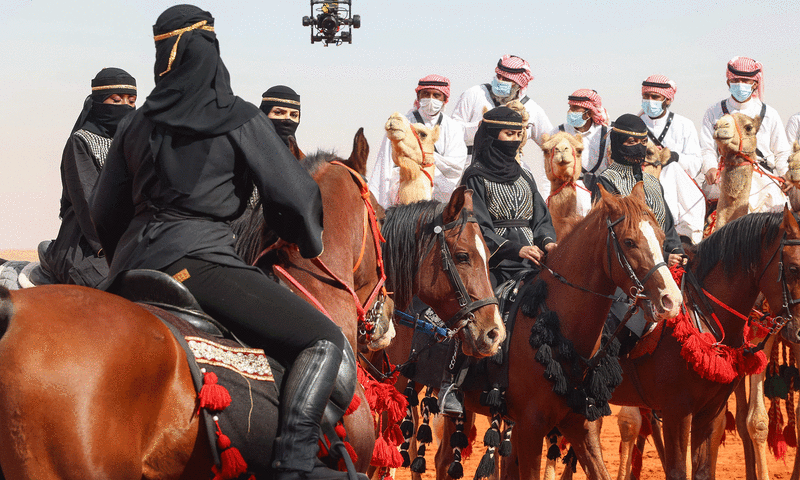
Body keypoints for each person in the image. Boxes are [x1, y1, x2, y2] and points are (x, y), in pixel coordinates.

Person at [90, 6, 360, 480]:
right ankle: (296, 463)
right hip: (202, 262)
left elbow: (102, 213)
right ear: (211, 52)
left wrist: (126, 267)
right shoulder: (238, 117)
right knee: (323, 339)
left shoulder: (135, 122)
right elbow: (297, 196)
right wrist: (307, 239)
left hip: (131, 267)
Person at [38, 67, 137, 287]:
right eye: (116, 100)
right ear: (99, 102)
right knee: (114, 290)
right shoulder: (82, 142)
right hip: (89, 242)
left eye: (131, 101)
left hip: (135, 236)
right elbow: (88, 202)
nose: (126, 107)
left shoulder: (137, 142)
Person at [460, 106, 557, 288]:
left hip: (534, 261)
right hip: (495, 265)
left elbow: (541, 219)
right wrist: (517, 249)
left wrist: (548, 243)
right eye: (509, 134)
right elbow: (477, 227)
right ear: (492, 135)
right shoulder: (475, 177)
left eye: (519, 134)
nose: (515, 140)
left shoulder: (525, 176)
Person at [591, 114, 684, 264]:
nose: (639, 147)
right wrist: (665, 257)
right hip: (631, 265)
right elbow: (608, 234)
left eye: (644, 141)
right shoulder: (606, 180)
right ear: (618, 143)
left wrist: (677, 251)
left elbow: (668, 226)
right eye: (632, 141)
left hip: (665, 261)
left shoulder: (652, 182)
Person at [699, 57, 791, 203]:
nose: (740, 84)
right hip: (724, 174)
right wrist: (710, 167)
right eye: (735, 80)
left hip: (762, 176)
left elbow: (782, 152)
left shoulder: (769, 114)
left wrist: (785, 174)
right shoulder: (713, 112)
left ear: (755, 84)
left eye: (745, 81)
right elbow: (706, 149)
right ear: (728, 82)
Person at [368, 74, 468, 207]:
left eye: (436, 95)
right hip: (403, 196)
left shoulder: (453, 128)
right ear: (418, 97)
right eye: (426, 94)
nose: (430, 99)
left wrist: (428, 157)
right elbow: (384, 165)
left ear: (445, 99)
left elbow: (456, 168)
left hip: (440, 199)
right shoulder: (402, 124)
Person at [638, 75, 705, 244]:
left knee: (672, 170)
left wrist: (675, 157)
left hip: (680, 187)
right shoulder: (635, 125)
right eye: (646, 96)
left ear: (667, 100)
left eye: (655, 97)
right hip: (642, 184)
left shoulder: (684, 125)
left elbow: (696, 164)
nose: (650, 101)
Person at [452, 55, 553, 158]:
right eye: (498, 76)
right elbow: (450, 132)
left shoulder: (531, 109)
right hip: (473, 161)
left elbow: (551, 143)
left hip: (512, 163)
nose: (499, 81)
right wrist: (480, 128)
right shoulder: (474, 94)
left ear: (518, 85)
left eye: (505, 79)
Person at [555, 89, 610, 176]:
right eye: (570, 107)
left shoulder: (607, 135)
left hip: (600, 183)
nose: (570, 111)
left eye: (575, 108)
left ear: (589, 113)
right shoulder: (558, 132)